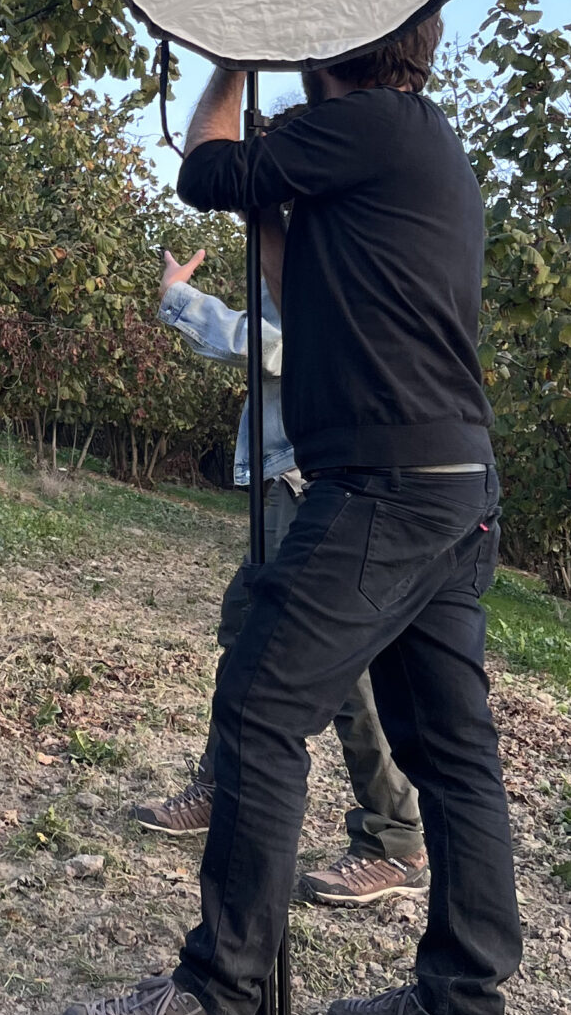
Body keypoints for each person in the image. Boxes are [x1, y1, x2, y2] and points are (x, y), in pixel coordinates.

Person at [60, 13, 521, 1015]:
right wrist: (271, 209)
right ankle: (464, 1003)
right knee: (449, 748)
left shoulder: (365, 123)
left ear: (332, 47)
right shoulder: (418, 145)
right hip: (453, 483)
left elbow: (204, 168)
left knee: (261, 704)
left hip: (385, 484)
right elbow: (292, 290)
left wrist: (235, 49)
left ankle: (220, 992)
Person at [135, 245, 428, 909]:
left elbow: (296, 353)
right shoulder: (295, 241)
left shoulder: (341, 245)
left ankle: (395, 837)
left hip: (318, 476)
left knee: (335, 663)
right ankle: (222, 784)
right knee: (246, 630)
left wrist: (182, 302)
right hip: (288, 475)